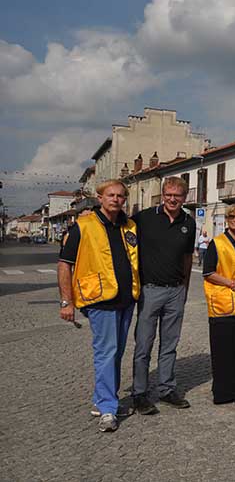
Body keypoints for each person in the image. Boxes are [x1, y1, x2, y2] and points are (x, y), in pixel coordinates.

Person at [57, 179, 139, 432]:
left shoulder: (130, 226)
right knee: (106, 352)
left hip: (126, 299)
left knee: (116, 353)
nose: (116, 199)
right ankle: (107, 409)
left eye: (120, 196)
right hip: (99, 300)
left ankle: (104, 400)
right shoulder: (83, 226)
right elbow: (64, 264)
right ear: (100, 198)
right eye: (110, 195)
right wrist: (66, 301)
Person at [131, 177, 195, 415]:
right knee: (144, 344)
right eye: (168, 194)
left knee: (170, 345)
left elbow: (188, 257)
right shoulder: (144, 218)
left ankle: (167, 389)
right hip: (150, 290)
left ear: (184, 197)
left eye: (177, 195)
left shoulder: (189, 222)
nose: (172, 199)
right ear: (163, 194)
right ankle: (139, 393)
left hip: (176, 291)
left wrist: (185, 288)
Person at [202, 203, 235, 404]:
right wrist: (232, 284)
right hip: (224, 302)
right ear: (226, 219)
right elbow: (208, 272)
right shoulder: (218, 242)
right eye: (231, 216)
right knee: (223, 349)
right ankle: (224, 393)